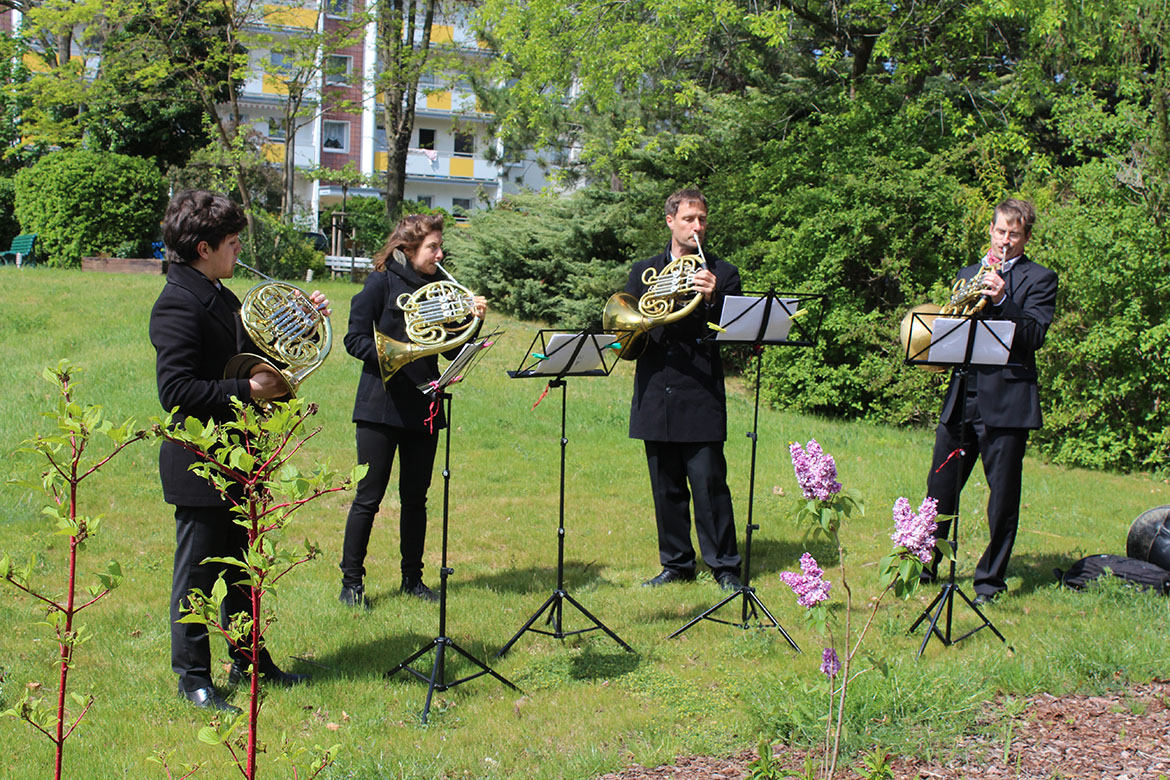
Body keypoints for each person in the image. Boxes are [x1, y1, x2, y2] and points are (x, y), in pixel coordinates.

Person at [150, 190, 325, 712]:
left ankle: (250, 660)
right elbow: (175, 390)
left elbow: (257, 353)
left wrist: (303, 321)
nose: (237, 251)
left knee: (244, 570)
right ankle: (193, 679)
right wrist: (246, 392)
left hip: (242, 456)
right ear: (204, 248)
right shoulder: (177, 303)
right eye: (231, 243)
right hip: (201, 462)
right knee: (198, 577)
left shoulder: (221, 295)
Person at [338, 213, 486, 608]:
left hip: (425, 404)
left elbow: (452, 347)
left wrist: (473, 322)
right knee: (368, 497)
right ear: (408, 249)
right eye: (432, 248)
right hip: (379, 406)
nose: (439, 255)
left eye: (440, 247)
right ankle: (351, 582)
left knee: (415, 498)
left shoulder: (441, 288)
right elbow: (354, 340)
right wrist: (397, 355)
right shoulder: (381, 282)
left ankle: (412, 579)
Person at [924, 198, 1058, 605]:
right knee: (939, 488)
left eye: (1014, 234)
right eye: (1000, 232)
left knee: (1002, 497)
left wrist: (1002, 300)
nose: (1005, 240)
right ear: (991, 231)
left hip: (1008, 402)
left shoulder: (1041, 278)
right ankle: (924, 565)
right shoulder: (969, 274)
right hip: (964, 395)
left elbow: (1034, 336)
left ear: (1026, 237)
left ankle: (989, 581)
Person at [624, 188, 743, 590]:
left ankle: (724, 565)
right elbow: (629, 341)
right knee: (666, 486)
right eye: (690, 218)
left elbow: (731, 339)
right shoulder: (643, 272)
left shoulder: (723, 274)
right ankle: (676, 563)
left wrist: (712, 300)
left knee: (709, 484)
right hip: (656, 390)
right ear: (671, 221)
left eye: (703, 219)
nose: (697, 226)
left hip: (700, 391)